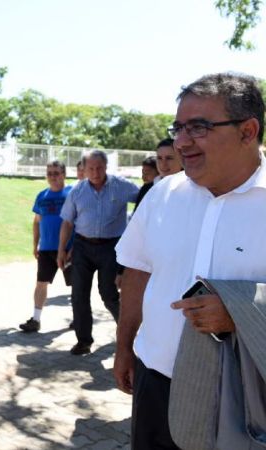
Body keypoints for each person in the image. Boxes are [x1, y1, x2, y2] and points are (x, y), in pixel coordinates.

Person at [113, 72, 266, 449]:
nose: (181, 142)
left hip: (245, 399)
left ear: (247, 131)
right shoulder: (163, 194)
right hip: (155, 382)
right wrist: (124, 346)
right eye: (178, 128)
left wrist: (240, 312)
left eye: (198, 127)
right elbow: (137, 272)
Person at [57, 150, 138, 355]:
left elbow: (145, 198)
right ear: (83, 169)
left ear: (106, 166)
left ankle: (130, 334)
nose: (95, 172)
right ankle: (83, 341)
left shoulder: (121, 186)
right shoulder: (77, 191)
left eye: (99, 168)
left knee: (109, 294)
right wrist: (61, 250)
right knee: (79, 295)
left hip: (111, 247)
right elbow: (67, 222)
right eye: (91, 168)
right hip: (82, 247)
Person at [19, 160, 72, 333]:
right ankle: (35, 320)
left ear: (64, 174)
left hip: (68, 249)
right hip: (46, 248)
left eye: (56, 173)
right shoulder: (42, 196)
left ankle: (79, 318)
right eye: (49, 173)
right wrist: (35, 245)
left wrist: (74, 248)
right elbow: (37, 222)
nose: (53, 177)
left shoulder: (72, 193)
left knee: (76, 285)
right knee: (41, 283)